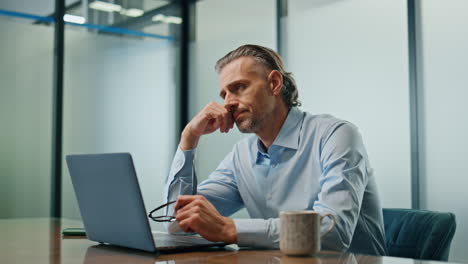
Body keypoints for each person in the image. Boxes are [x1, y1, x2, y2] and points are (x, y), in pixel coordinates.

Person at [162, 44, 387, 255]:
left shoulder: (336, 135)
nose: (228, 102)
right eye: (224, 94)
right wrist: (188, 138)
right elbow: (176, 222)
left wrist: (229, 229)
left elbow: (333, 233)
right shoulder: (242, 154)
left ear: (274, 84)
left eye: (238, 87)